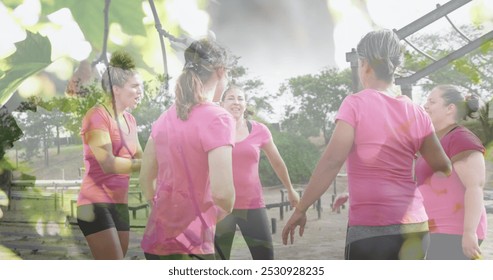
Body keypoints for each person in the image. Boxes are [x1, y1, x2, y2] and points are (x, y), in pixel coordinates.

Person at [281, 29, 453, 260]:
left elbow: (332, 161)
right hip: (415, 228)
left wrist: (301, 209)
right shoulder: (416, 112)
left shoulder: (355, 104)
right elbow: (443, 166)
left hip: (371, 230)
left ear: (365, 64)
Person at [139, 38, 236, 260]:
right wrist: (205, 219)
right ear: (221, 71)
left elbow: (145, 179)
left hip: (156, 242)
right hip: (191, 247)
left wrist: (166, 212)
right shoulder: (219, 118)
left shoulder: (163, 118)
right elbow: (223, 195)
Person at [214, 85, 300, 260]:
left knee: (265, 260)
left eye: (240, 98)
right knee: (218, 263)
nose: (236, 102)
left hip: (252, 205)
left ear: (246, 104)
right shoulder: (213, 130)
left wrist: (290, 189)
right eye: (230, 98)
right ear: (221, 103)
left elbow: (277, 161)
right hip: (221, 207)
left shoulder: (260, 130)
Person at [76, 50, 143, 259]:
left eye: (141, 86)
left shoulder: (131, 121)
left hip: (120, 204)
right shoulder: (96, 116)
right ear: (116, 89)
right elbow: (108, 163)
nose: (141, 91)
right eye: (135, 86)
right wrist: (147, 164)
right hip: (94, 204)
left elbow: (142, 156)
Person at [416, 85, 487, 260]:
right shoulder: (434, 140)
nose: (425, 105)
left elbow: (475, 187)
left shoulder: (460, 138)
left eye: (432, 101)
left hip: (454, 232)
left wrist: (469, 233)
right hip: (436, 230)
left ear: (450, 109)